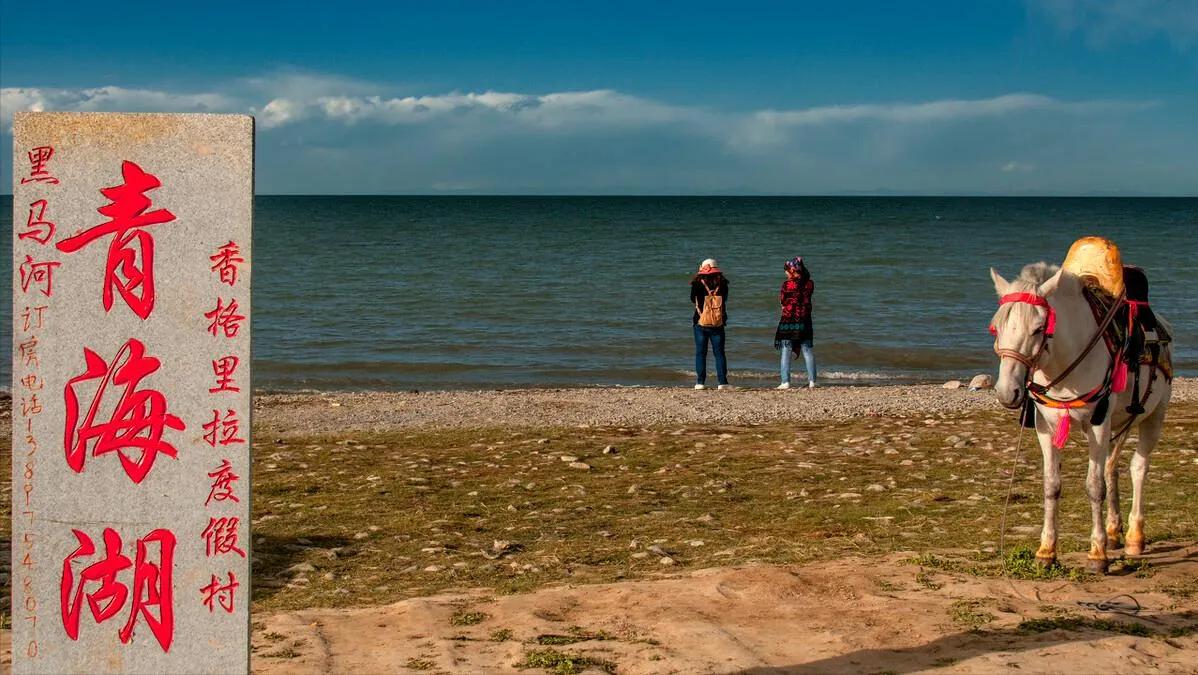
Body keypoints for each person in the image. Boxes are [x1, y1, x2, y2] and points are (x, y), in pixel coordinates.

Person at [774, 256, 816, 389]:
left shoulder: (786, 285)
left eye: (786, 270)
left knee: (786, 349)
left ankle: (785, 381)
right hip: (805, 320)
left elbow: (782, 301)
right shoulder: (810, 284)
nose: (785, 273)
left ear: (792, 270)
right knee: (807, 349)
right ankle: (812, 381)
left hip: (789, 320)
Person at [691, 258, 730, 390]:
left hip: (700, 321)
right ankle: (722, 382)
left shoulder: (697, 283)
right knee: (719, 353)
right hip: (718, 322)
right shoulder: (723, 283)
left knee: (701, 353)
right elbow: (725, 300)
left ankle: (700, 382)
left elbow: (692, 299)